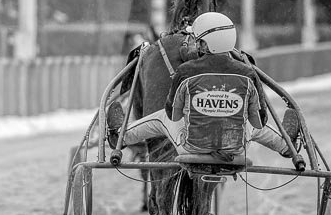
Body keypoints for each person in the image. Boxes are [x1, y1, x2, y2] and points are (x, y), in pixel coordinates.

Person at [117, 12, 301, 169]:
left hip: (191, 147)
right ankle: (286, 145)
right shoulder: (248, 73)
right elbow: (260, 119)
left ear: (205, 44)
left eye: (196, 40)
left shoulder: (185, 71)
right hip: (235, 148)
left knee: (161, 118)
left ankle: (120, 136)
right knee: (253, 126)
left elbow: (173, 114)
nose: (194, 43)